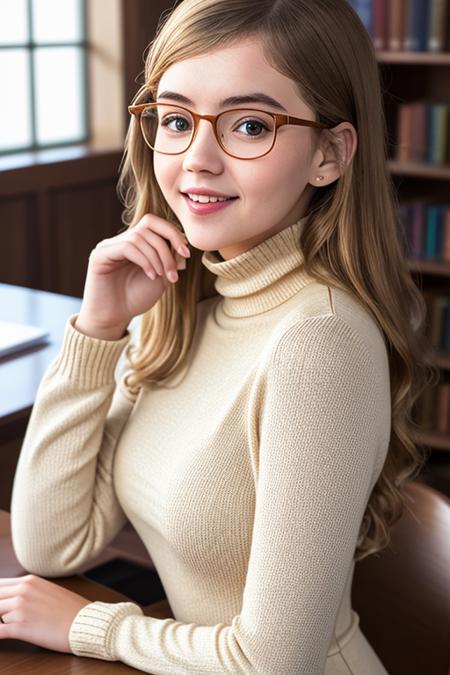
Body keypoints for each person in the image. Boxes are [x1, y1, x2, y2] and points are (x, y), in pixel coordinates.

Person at [2, 0, 438, 672]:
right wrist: (98, 329)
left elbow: (275, 660)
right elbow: (50, 542)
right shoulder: (179, 306)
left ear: (329, 154)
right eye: (175, 119)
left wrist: (94, 625)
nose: (196, 160)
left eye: (249, 125)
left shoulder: (318, 340)